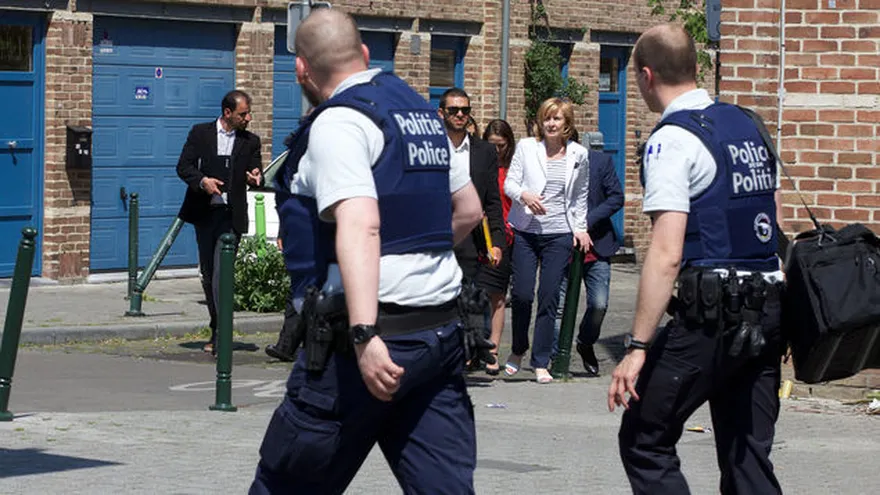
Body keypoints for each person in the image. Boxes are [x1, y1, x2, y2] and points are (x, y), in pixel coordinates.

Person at [250, 9, 485, 494]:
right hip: (438, 334)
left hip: (364, 347)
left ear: (302, 70)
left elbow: (360, 225)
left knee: (286, 483)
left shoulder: (339, 123)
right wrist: (418, 260)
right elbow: (468, 211)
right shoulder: (420, 113)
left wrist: (363, 334)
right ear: (363, 54)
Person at [608, 24, 786, 494]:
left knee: (645, 437)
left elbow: (666, 253)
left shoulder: (672, 140)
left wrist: (637, 347)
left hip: (712, 317)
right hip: (766, 309)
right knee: (747, 454)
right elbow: (773, 216)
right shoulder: (746, 123)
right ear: (694, 66)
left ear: (646, 76)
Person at [503, 97, 591, 383]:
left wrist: (580, 228)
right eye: (547, 118)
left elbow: (580, 195)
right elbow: (509, 183)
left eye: (557, 119)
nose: (551, 124)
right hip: (527, 230)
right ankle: (518, 348)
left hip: (558, 234)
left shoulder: (578, 154)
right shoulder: (528, 148)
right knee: (522, 294)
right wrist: (524, 195)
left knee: (549, 297)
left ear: (567, 124)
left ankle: (541, 360)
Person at [176, 90, 263, 354]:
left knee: (221, 276)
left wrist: (255, 177)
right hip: (205, 213)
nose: (248, 118)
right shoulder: (200, 133)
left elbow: (257, 171)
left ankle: (223, 334)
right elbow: (184, 167)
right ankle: (216, 326)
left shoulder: (250, 141)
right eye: (243, 114)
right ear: (228, 113)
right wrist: (203, 182)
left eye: (248, 113)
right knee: (208, 273)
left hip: (231, 217)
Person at [438, 89, 506, 372]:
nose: (460, 115)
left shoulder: (484, 151)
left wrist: (497, 241)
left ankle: (464, 356)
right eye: (454, 110)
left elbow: (492, 200)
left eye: (465, 110)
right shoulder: (430, 146)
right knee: (440, 301)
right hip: (437, 236)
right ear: (441, 113)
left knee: (467, 299)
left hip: (471, 238)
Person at [554, 146, 624, 376]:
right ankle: (557, 357)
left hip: (597, 245)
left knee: (599, 304)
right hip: (562, 244)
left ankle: (585, 342)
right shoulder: (550, 160)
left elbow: (616, 197)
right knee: (559, 307)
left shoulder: (600, 162)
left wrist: (587, 220)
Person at [480, 119, 517, 375]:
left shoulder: (513, 168)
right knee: (476, 294)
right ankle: (475, 347)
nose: (496, 151)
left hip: (506, 237)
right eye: (491, 145)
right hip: (481, 235)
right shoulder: (480, 165)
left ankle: (492, 350)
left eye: (501, 146)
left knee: (498, 296)